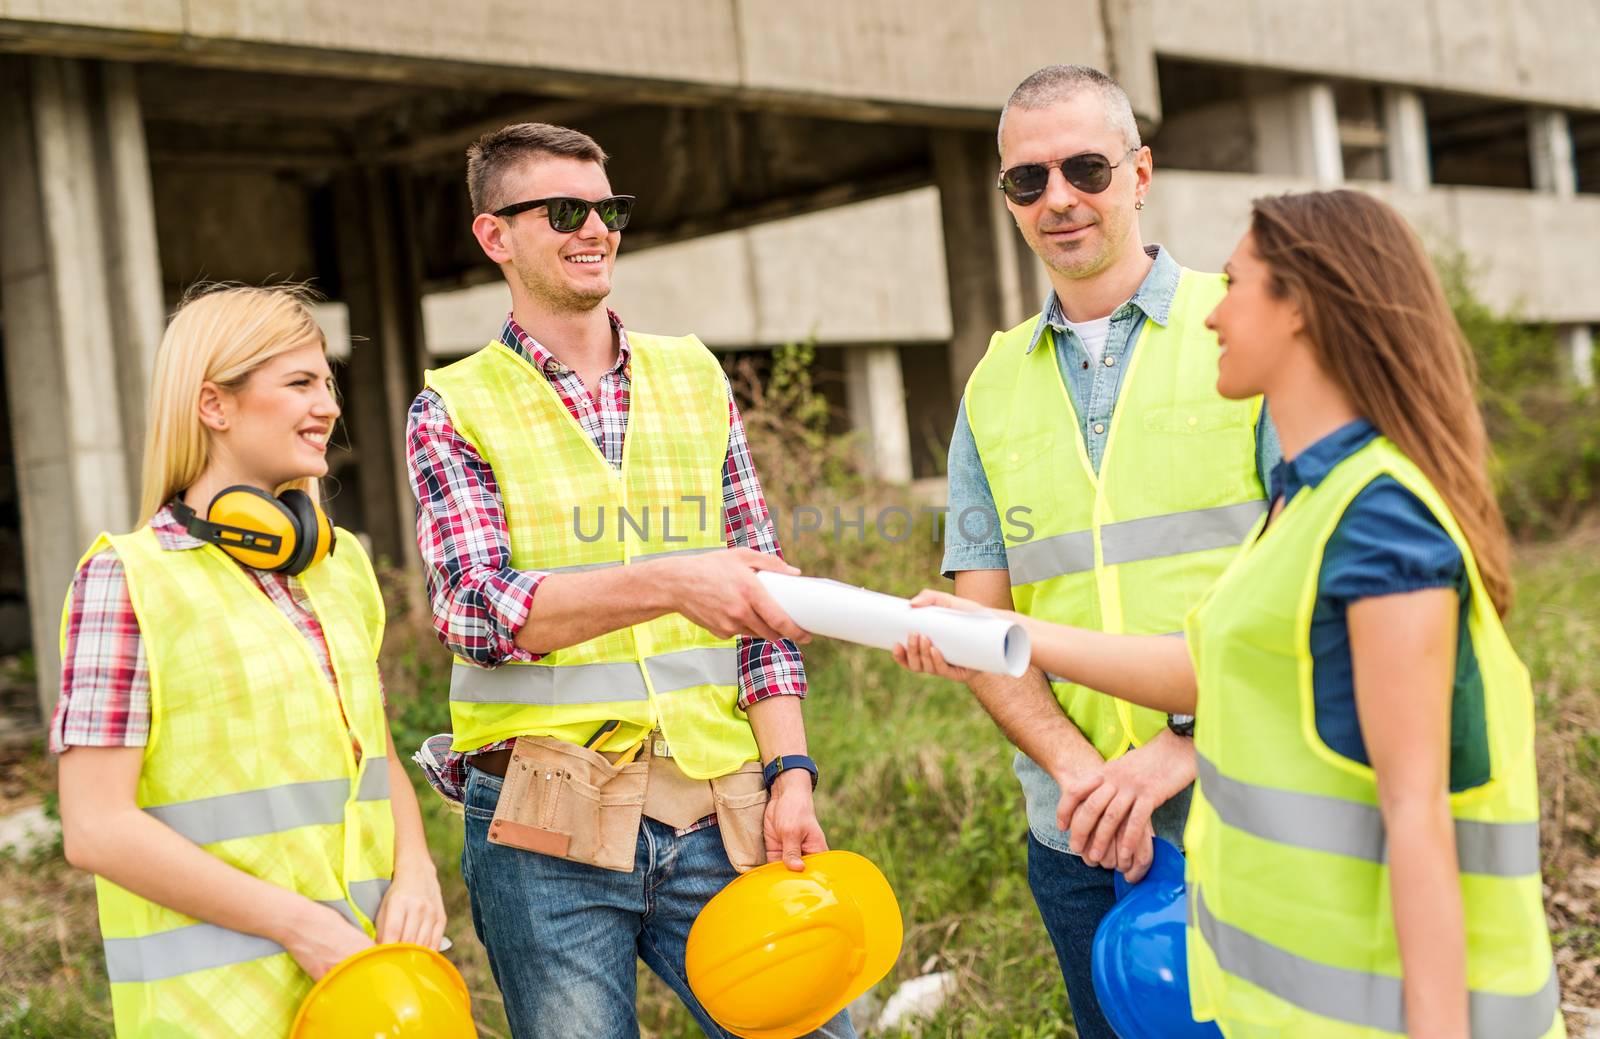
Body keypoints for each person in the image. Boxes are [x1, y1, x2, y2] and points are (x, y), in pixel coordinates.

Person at [899, 189, 1565, 1039]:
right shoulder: (1308, 500)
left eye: (1240, 283)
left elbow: (1418, 818)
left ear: (1302, 312)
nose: (1215, 312)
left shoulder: (1381, 523)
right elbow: (1206, 665)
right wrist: (991, 638)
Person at [407, 122, 854, 1039]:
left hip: (721, 807)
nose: (595, 230)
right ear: (495, 235)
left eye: (608, 208)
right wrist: (670, 583)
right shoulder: (453, 405)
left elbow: (761, 599)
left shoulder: (694, 375)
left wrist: (792, 770)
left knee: (813, 1029)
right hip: (549, 828)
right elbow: (472, 610)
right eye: (564, 211)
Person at [933, 64, 1279, 1038]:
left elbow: (1309, 588)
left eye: (1084, 168)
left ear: (1140, 173)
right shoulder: (992, 384)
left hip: (1250, 801)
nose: (1057, 199)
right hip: (1078, 828)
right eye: (1025, 180)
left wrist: (1176, 752)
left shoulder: (1243, 328)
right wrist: (1082, 773)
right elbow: (979, 621)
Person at [53, 284, 446, 1038]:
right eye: (299, 382)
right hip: (217, 1013)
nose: (328, 404)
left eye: (327, 382)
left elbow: (372, 750)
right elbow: (95, 827)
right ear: (214, 405)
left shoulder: (339, 566)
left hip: (372, 993)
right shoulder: (126, 579)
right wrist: (304, 926)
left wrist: (418, 871)